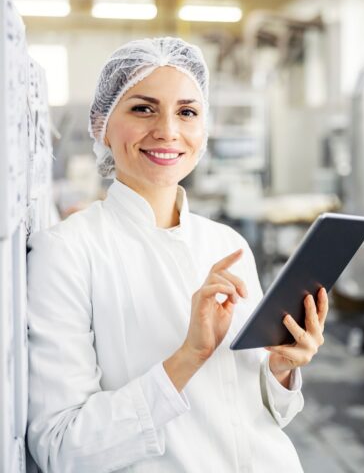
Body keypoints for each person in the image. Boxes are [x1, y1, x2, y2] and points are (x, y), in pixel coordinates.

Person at [26, 37, 327, 472]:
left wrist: (280, 370)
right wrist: (188, 356)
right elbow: (62, 448)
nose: (168, 129)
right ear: (101, 125)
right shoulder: (68, 253)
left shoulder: (227, 244)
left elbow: (266, 414)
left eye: (187, 111)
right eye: (143, 108)